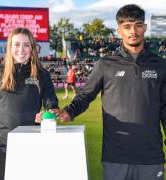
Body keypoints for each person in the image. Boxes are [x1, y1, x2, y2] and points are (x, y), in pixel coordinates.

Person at [53, 4, 166, 180]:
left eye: (137, 25)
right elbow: (86, 94)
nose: (133, 31)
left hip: (151, 157)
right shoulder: (105, 64)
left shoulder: (160, 65)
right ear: (119, 30)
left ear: (144, 28)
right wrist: (69, 111)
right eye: (127, 27)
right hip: (115, 157)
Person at [0, 27, 58, 180]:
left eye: (26, 45)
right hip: (1, 146)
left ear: (32, 48)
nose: (21, 49)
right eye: (16, 44)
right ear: (10, 47)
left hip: (31, 146)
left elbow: (51, 105)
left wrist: (48, 114)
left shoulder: (42, 74)